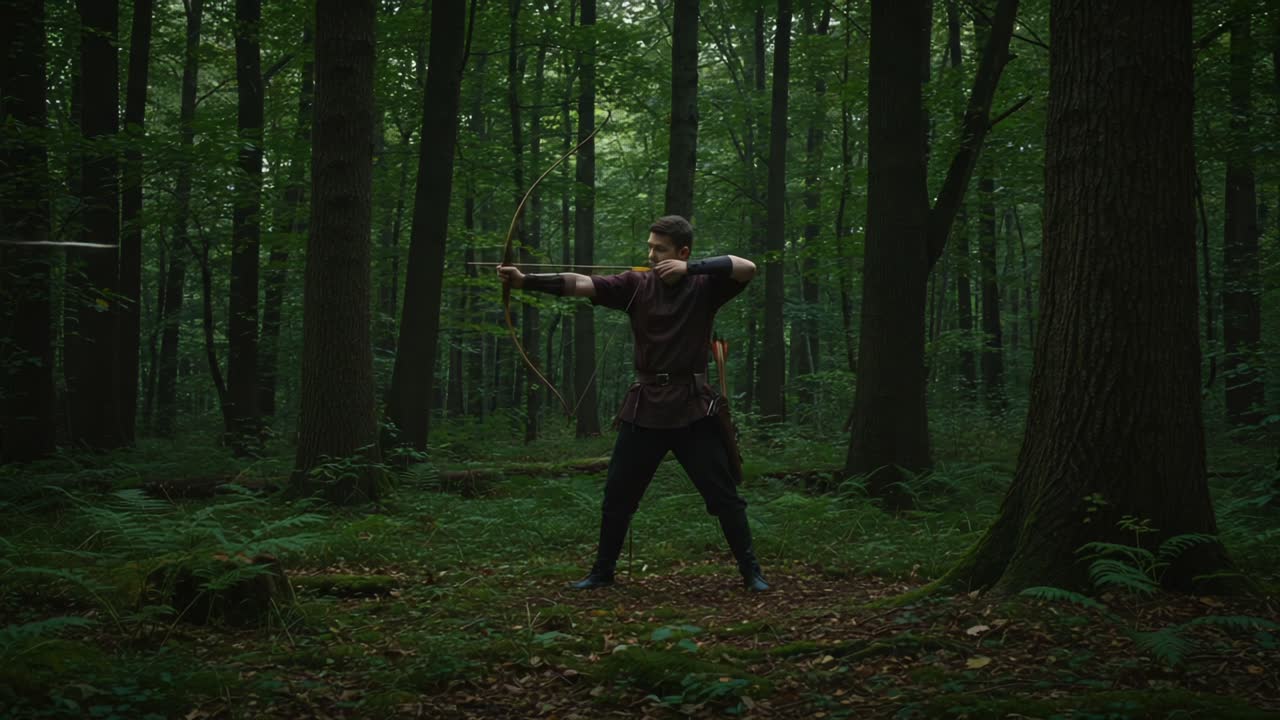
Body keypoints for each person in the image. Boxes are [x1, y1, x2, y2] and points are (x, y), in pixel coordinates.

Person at [498, 215, 769, 592]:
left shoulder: (706, 286)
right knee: (617, 497)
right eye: (650, 247)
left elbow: (747, 267)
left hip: (692, 407)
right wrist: (527, 280)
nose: (652, 254)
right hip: (645, 407)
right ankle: (602, 572)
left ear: (683, 252)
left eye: (660, 249)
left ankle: (751, 572)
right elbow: (582, 283)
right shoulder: (635, 283)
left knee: (724, 496)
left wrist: (691, 270)